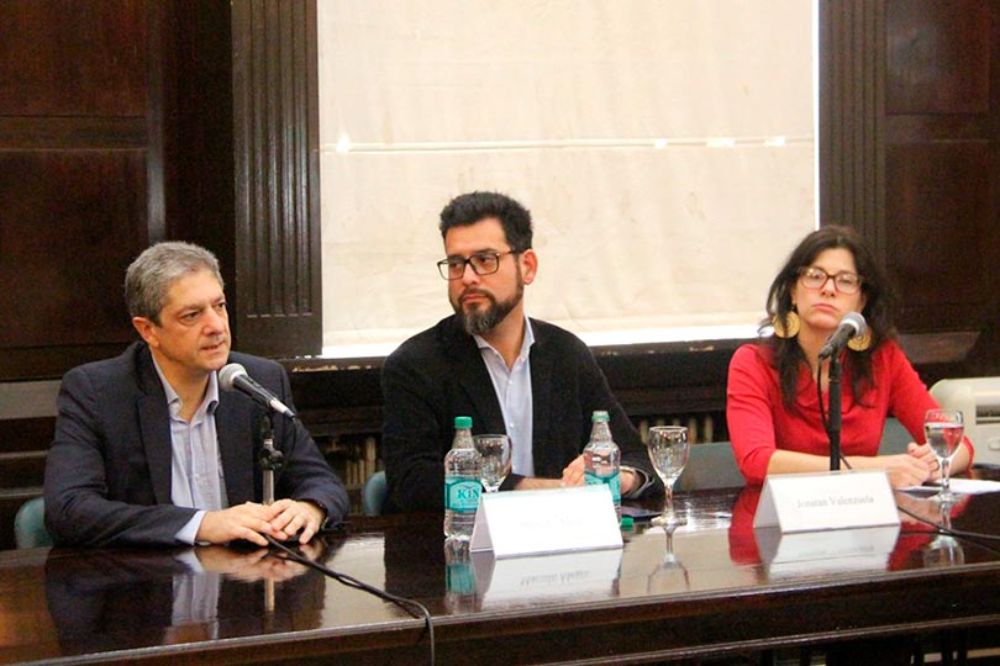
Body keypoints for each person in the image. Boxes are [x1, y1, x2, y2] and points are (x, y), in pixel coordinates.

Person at [44, 242, 348, 547]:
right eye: (192, 315)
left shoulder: (258, 382)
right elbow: (69, 510)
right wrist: (201, 524)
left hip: (244, 571)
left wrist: (310, 508)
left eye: (219, 306)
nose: (216, 326)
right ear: (148, 330)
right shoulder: (98, 392)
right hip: (149, 573)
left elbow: (322, 482)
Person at [381, 191, 658, 512]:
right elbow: (413, 483)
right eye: (456, 264)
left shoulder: (566, 354)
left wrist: (620, 478)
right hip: (460, 539)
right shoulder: (415, 365)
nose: (467, 278)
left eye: (485, 260)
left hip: (563, 537)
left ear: (527, 266)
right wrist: (549, 490)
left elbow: (635, 457)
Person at [726, 225, 973, 488]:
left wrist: (933, 463)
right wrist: (876, 470)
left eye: (845, 281)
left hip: (861, 509)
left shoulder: (883, 358)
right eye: (815, 276)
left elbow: (961, 447)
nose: (828, 289)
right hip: (781, 511)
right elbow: (756, 461)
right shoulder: (753, 363)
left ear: (861, 301)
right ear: (792, 291)